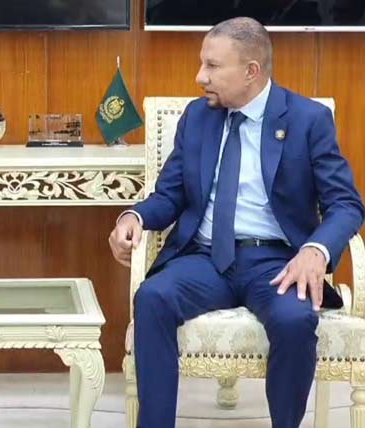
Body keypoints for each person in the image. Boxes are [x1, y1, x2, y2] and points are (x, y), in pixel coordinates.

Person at [108, 16, 363, 428]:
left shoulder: (307, 120)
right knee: (152, 297)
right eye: (202, 63)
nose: (200, 76)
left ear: (251, 71)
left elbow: (346, 204)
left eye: (212, 66)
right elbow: (170, 194)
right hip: (205, 259)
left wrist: (316, 251)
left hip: (276, 262)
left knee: (295, 320)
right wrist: (133, 216)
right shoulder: (198, 117)